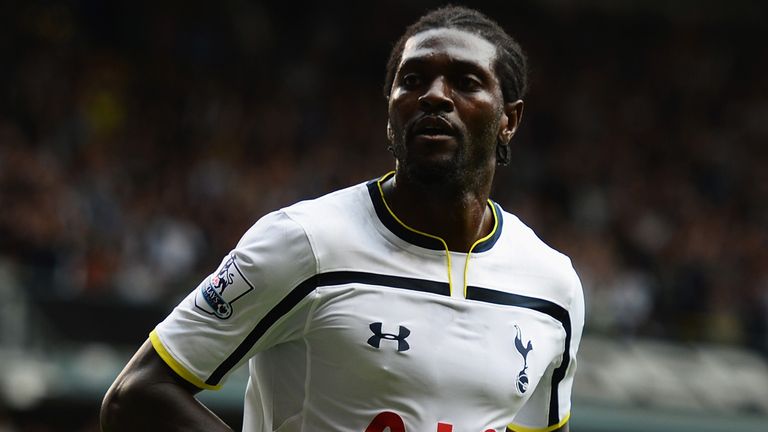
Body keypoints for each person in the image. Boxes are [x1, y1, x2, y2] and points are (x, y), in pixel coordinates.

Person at [100, 5, 584, 432]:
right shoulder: (304, 242)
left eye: (465, 81)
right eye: (412, 80)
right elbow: (136, 396)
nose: (435, 96)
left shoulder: (551, 285)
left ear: (509, 120)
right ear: (390, 111)